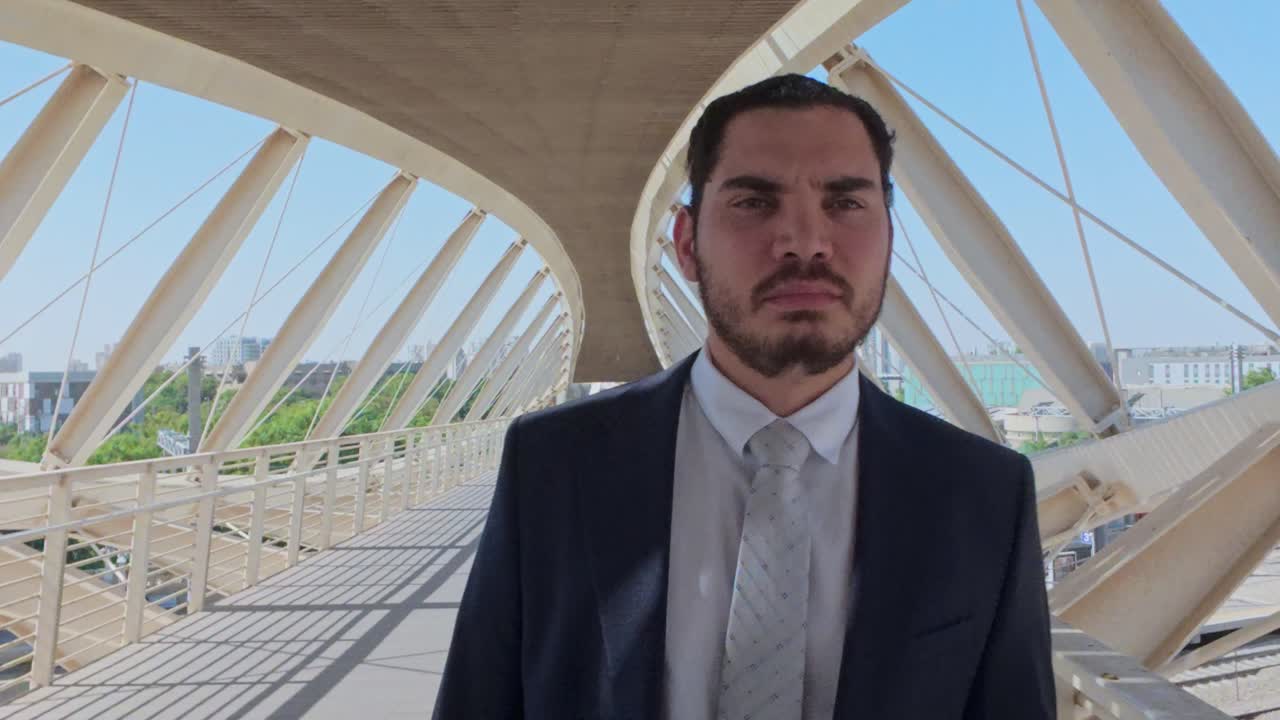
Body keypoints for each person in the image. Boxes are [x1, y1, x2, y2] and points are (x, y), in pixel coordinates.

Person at [434, 73, 1055, 719]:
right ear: (685, 244)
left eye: (845, 203)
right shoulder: (553, 464)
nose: (806, 241)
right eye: (755, 202)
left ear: (890, 241)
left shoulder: (983, 491)